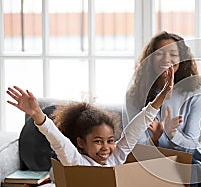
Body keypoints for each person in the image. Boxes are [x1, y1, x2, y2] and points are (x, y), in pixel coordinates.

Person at [125, 31, 201, 187]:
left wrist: (172, 136)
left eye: (173, 54)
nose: (166, 60)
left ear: (181, 59)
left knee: (183, 172)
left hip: (188, 159)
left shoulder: (196, 91)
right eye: (159, 54)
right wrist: (155, 139)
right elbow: (132, 143)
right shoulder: (135, 94)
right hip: (149, 158)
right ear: (150, 59)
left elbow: (190, 143)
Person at [6, 67, 175, 166]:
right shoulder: (76, 162)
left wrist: (163, 93)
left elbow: (136, 128)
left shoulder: (115, 157)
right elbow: (58, 140)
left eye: (110, 140)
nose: (105, 147)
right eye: (97, 141)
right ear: (81, 143)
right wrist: (37, 114)